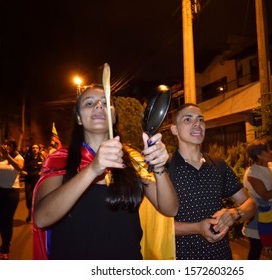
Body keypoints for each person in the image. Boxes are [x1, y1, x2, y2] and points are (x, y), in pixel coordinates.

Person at [32, 84, 179, 260]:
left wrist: (159, 168)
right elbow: (41, 218)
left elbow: (170, 209)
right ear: (79, 118)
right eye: (89, 103)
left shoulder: (132, 160)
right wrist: (93, 169)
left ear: (114, 116)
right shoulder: (60, 159)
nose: (99, 105)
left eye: (105, 102)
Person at [168, 103, 256, 260]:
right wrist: (197, 228)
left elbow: (251, 203)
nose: (197, 124)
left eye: (200, 119)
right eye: (188, 119)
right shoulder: (164, 168)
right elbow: (155, 225)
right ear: (174, 129)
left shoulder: (218, 164)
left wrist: (235, 213)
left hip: (221, 257)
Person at [0, 139, 24, 260]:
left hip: (11, 192)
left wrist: (8, 157)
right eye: (3, 144)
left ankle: (5, 248)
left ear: (12, 147)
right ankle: (5, 241)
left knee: (7, 220)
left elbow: (19, 167)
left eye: (8, 145)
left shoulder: (18, 157)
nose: (5, 146)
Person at [23, 143, 44, 223]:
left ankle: (36, 214)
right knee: (29, 198)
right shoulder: (27, 158)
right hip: (29, 181)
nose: (35, 149)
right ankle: (30, 212)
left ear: (39, 150)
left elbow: (45, 167)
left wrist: (41, 172)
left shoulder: (41, 158)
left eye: (36, 148)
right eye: (33, 148)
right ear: (31, 150)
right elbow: (22, 168)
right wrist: (23, 172)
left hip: (38, 181)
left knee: (37, 198)